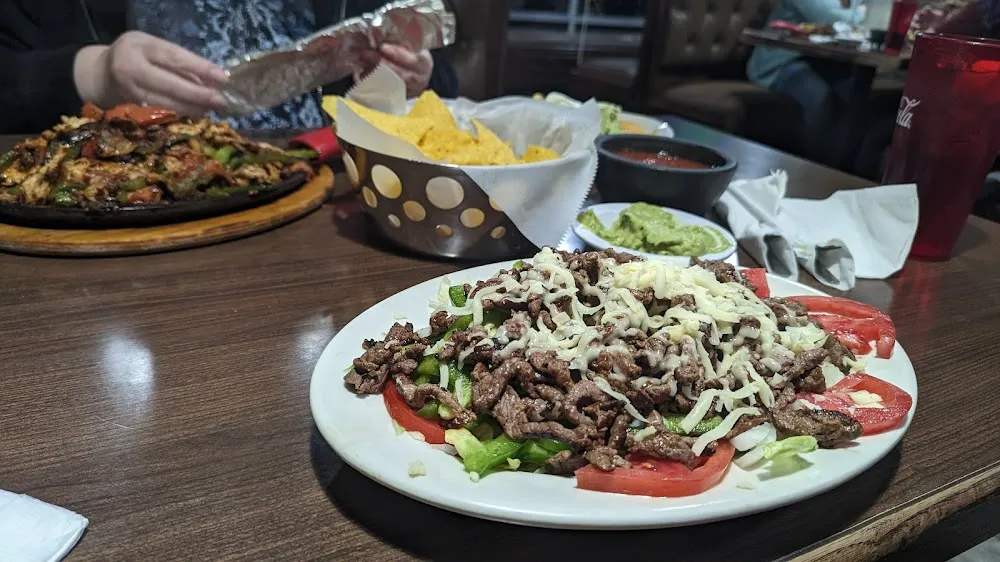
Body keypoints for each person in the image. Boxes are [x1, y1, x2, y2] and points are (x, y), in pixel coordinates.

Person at [0, 1, 458, 133]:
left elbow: (444, 88)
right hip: (115, 223)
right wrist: (93, 72)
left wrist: (409, 81)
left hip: (324, 203)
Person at [746, 0, 866, 161]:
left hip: (828, 63)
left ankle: (841, 171)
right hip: (780, 64)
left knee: (854, 93)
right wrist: (864, 13)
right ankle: (812, 167)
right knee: (818, 97)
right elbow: (835, 21)